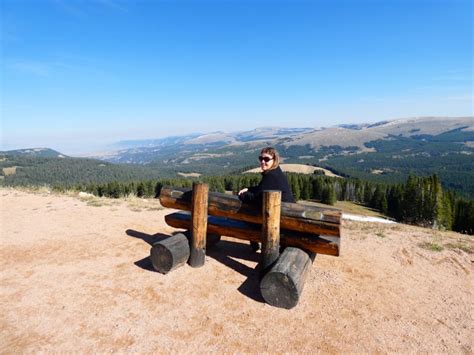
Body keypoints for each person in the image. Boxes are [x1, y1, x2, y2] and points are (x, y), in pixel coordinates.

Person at [238, 147, 295, 251]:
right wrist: (249, 188)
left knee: (246, 216)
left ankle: (258, 243)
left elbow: (257, 199)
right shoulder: (275, 173)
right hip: (286, 219)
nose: (263, 161)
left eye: (267, 159)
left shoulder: (271, 176)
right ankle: (256, 243)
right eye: (261, 159)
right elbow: (262, 189)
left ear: (275, 160)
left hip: (283, 223)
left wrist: (243, 195)